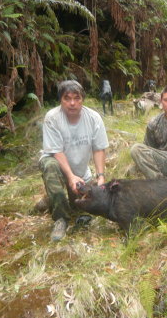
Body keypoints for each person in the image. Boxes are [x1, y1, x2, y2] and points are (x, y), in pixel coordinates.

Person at [39, 80, 109, 241]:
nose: (72, 103)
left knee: (85, 206)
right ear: (60, 100)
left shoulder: (93, 118)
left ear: (82, 99)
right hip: (58, 167)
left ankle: (54, 201)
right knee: (49, 165)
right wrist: (70, 177)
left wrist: (101, 176)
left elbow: (98, 148)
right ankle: (60, 219)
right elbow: (57, 151)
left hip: (80, 172)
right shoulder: (52, 118)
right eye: (67, 98)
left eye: (77, 98)